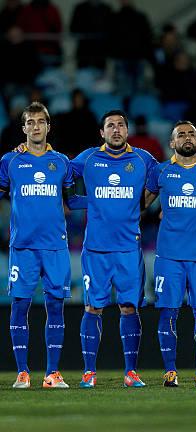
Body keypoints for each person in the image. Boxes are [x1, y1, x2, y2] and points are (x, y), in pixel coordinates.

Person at [70, 110, 158, 388]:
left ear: (127, 130)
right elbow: (56, 175)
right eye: (111, 125)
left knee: (129, 308)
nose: (116, 129)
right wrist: (88, 201)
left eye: (121, 125)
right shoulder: (88, 158)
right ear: (102, 132)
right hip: (95, 250)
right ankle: (88, 372)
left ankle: (131, 373)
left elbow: (168, 174)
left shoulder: (143, 159)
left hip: (129, 250)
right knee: (92, 308)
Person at [0, 102, 80, 389]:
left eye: (40, 122)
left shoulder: (61, 162)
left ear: (49, 126)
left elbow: (73, 201)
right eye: (30, 122)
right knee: (19, 306)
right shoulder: (10, 161)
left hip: (55, 247)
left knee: (55, 307)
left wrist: (111, 200)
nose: (36, 126)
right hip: (23, 247)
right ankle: (22, 372)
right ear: (23, 128)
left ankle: (52, 373)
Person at [144, 121, 196, 388]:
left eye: (192, 133)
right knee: (168, 314)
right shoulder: (160, 172)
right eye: (181, 135)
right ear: (172, 144)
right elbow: (141, 205)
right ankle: (170, 371)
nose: (187, 137)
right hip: (169, 257)